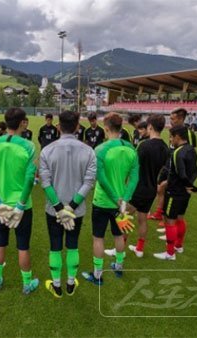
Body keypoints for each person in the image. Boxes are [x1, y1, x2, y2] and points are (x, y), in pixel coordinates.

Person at [39, 110, 97, 298]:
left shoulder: (47, 150)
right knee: (72, 244)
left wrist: (59, 208)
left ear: (58, 126)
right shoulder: (89, 151)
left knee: (55, 245)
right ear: (78, 127)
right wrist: (70, 207)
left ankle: (57, 286)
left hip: (53, 210)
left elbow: (45, 182)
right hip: (76, 210)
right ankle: (70, 283)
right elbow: (89, 182)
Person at [0, 107, 39, 294]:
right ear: (23, 122)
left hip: (1, 206)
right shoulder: (28, 146)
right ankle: (27, 284)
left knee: (0, 243)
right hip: (21, 206)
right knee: (23, 246)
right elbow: (31, 178)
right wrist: (21, 206)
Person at [81, 112, 139, 286]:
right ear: (121, 128)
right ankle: (118, 267)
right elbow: (135, 177)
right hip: (121, 203)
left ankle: (98, 275)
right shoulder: (131, 148)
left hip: (102, 201)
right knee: (119, 235)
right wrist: (124, 199)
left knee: (98, 238)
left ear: (106, 129)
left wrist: (117, 199)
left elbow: (102, 179)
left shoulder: (100, 149)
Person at [154, 125, 197, 260]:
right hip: (185, 193)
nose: (170, 140)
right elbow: (195, 172)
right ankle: (179, 246)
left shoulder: (178, 153)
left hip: (174, 192)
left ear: (178, 137)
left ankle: (170, 253)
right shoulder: (191, 150)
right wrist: (190, 187)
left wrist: (189, 186)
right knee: (180, 218)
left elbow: (181, 174)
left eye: (171, 137)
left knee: (170, 221)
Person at [128, 115, 169, 257]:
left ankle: (119, 248)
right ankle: (139, 249)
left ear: (150, 126)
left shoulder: (144, 145)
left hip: (138, 188)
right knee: (142, 219)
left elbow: (134, 167)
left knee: (124, 217)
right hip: (151, 188)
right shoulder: (165, 148)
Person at [148, 108, 196, 221]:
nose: (170, 121)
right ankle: (160, 213)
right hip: (168, 166)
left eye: (172, 119)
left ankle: (169, 219)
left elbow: (191, 154)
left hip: (177, 169)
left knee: (170, 192)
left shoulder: (188, 133)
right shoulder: (173, 130)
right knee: (160, 189)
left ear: (180, 118)